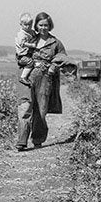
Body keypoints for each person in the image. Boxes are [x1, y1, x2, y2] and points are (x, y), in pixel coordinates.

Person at [15, 12, 67, 151]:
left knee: (41, 109)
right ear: (36, 26)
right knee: (25, 107)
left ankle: (37, 139)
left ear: (50, 26)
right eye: (41, 25)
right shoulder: (30, 38)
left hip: (45, 77)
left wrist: (52, 67)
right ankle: (21, 141)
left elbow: (62, 57)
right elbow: (20, 54)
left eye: (46, 25)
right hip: (27, 75)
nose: (43, 27)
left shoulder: (55, 42)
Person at [14, 11, 37, 86]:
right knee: (30, 63)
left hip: (28, 53)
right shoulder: (21, 34)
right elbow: (22, 43)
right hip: (22, 56)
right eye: (25, 25)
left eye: (30, 25)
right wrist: (32, 45)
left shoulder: (31, 32)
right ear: (21, 24)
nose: (27, 27)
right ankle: (23, 77)